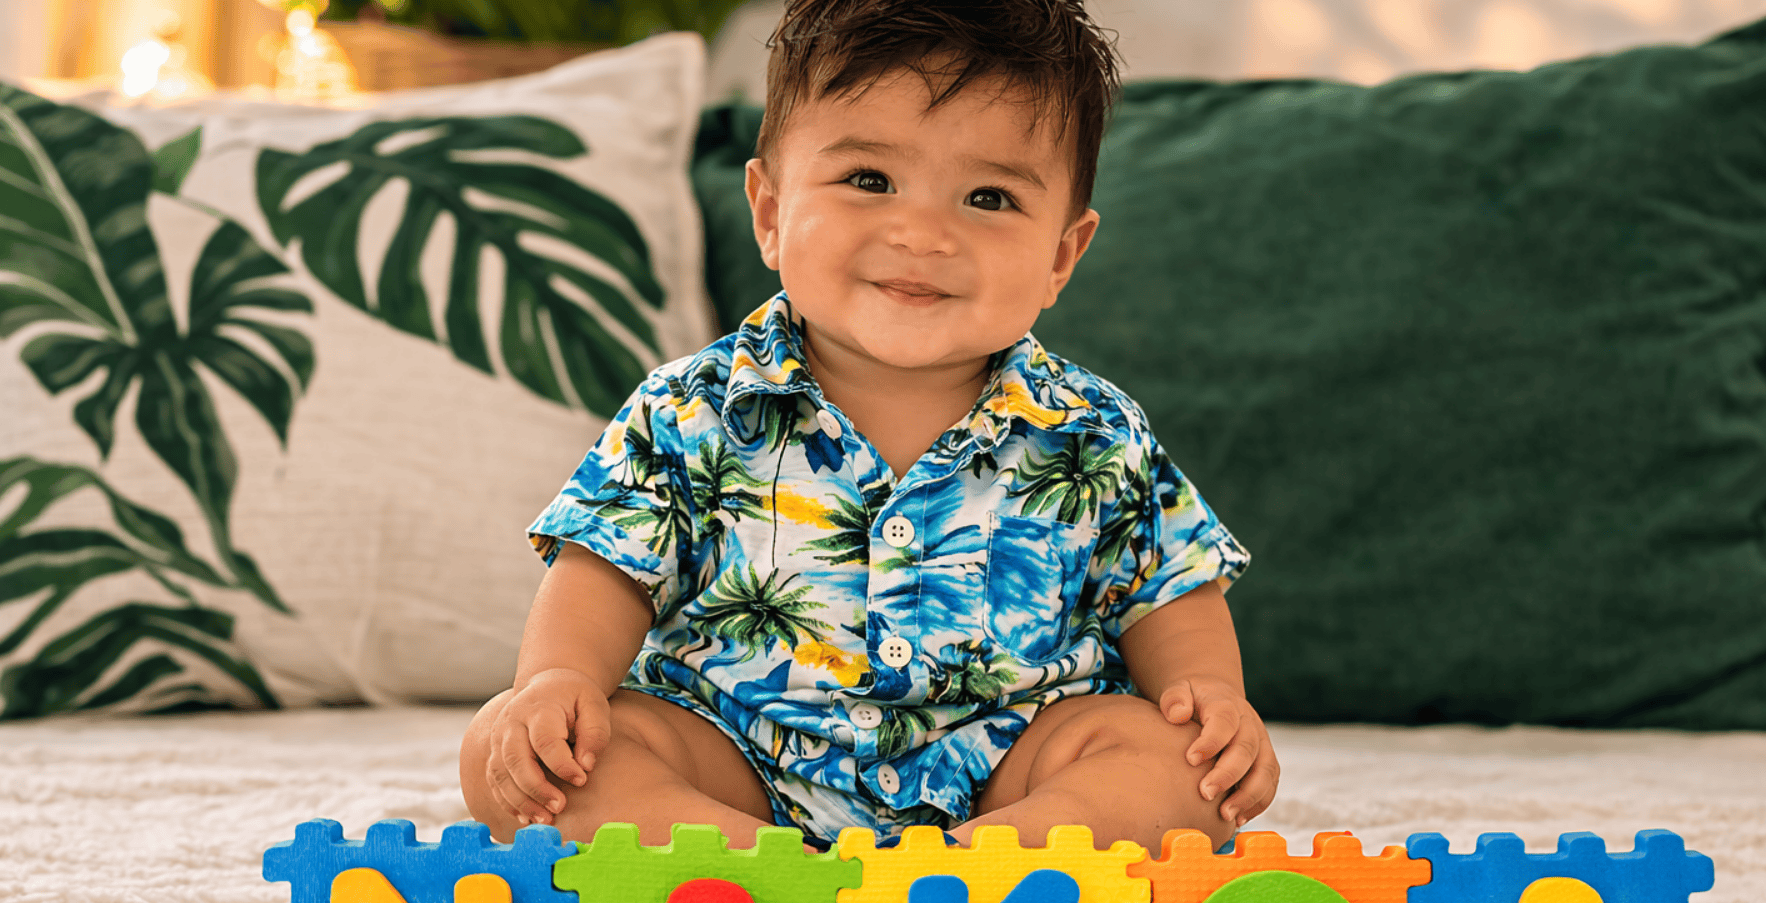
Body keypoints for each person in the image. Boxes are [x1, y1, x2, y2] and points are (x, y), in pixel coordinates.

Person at [460, 0, 1279, 852]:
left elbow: (1168, 589)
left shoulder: (1093, 433)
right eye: (869, 181)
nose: (923, 234)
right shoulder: (691, 407)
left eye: (989, 197)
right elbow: (607, 571)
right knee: (511, 749)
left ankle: (976, 873)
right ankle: (766, 875)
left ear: (1061, 256)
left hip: (1009, 770)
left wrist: (1210, 694)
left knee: (1183, 763)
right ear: (771, 212)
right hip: (733, 765)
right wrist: (559, 681)